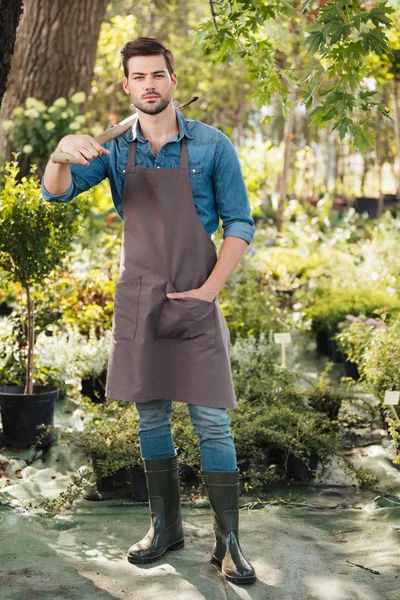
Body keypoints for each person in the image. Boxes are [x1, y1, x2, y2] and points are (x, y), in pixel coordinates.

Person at [42, 37, 257, 585]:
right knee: (151, 415)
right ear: (127, 86)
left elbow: (239, 224)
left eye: (158, 75)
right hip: (140, 297)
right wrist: (59, 153)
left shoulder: (212, 146)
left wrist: (208, 291)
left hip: (195, 297)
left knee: (211, 419)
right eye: (138, 77)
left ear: (172, 80)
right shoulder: (113, 150)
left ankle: (228, 540)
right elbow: (57, 193)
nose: (149, 85)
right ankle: (165, 527)